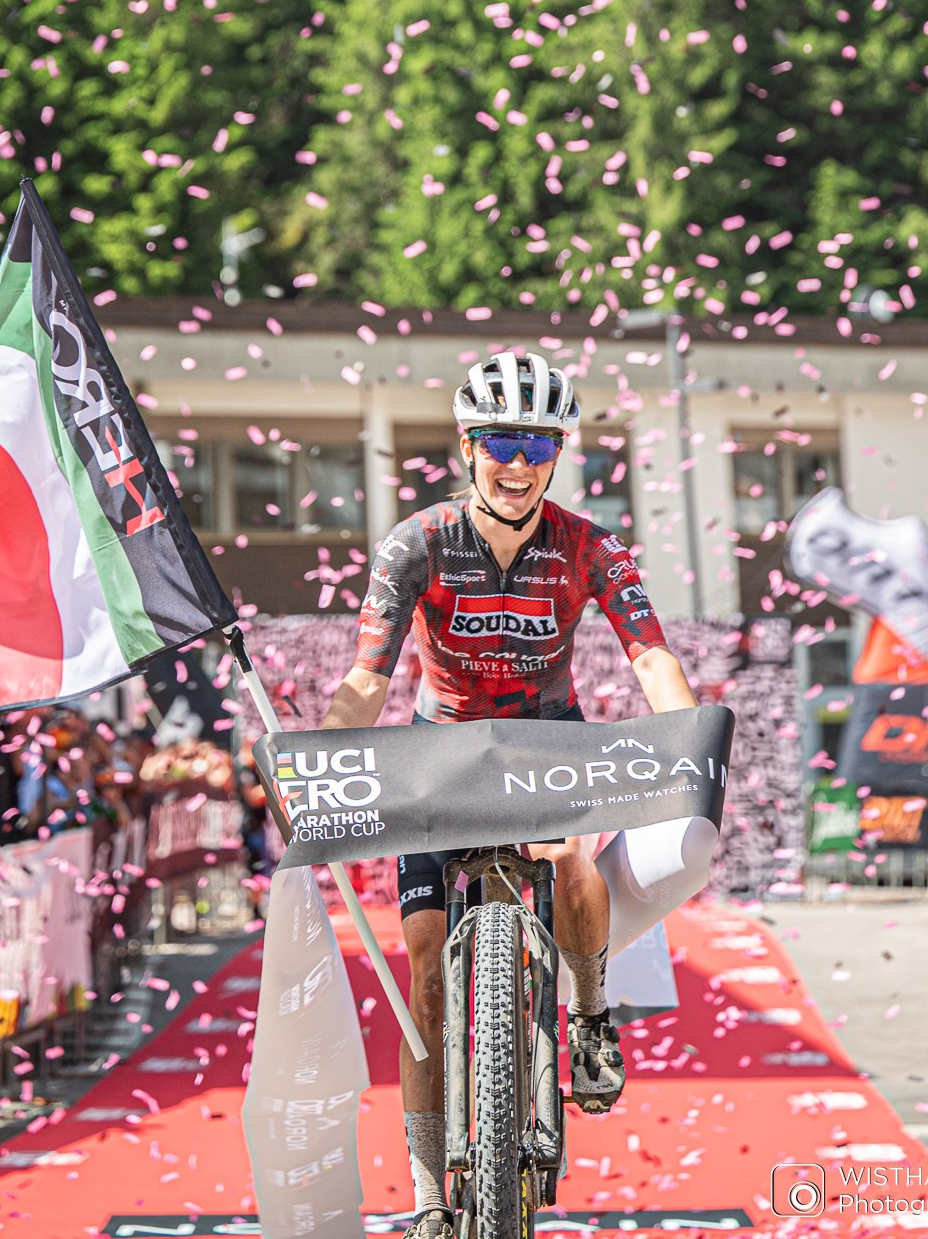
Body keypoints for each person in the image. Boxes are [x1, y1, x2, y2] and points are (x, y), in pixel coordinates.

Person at [320, 350, 699, 1239]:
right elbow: (368, 679)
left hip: (545, 742)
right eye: (500, 441)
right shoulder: (416, 543)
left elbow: (650, 656)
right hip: (440, 749)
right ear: (468, 447)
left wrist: (690, 743)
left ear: (558, 453)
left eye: (538, 443)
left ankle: (591, 1015)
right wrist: (314, 765)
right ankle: (426, 1193)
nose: (519, 462)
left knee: (570, 855)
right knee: (423, 968)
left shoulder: (590, 545)